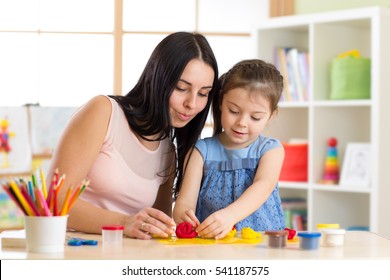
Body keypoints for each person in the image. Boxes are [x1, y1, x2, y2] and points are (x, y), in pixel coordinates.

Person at [46, 31, 219, 240]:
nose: (192, 103)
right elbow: (53, 201)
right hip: (73, 252)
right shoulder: (104, 112)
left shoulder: (167, 152)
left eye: (203, 94)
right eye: (181, 88)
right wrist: (124, 223)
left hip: (124, 260)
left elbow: (157, 228)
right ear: (157, 78)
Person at [173, 59, 285, 239]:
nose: (242, 123)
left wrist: (229, 216)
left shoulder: (270, 150)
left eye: (255, 117)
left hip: (261, 245)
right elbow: (184, 202)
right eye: (233, 111)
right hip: (213, 246)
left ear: (271, 115)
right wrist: (183, 215)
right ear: (220, 104)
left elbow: (263, 186)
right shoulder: (202, 151)